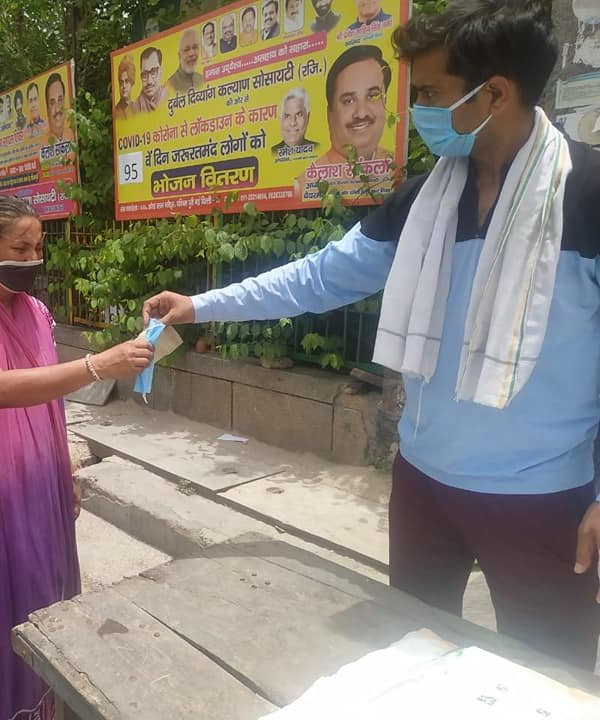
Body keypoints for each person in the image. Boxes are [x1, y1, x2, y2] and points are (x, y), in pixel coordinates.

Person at [143, 0, 600, 671]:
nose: (415, 112)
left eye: (431, 95)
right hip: (424, 489)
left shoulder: (586, 194)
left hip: (543, 501)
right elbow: (320, 277)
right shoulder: (424, 200)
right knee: (413, 658)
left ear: (494, 93)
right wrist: (200, 304)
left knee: (548, 678)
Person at [0, 196, 153, 720]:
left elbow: (47, 401)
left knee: (44, 595)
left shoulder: (37, 311)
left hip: (37, 480)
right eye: (19, 247)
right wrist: (99, 365)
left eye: (38, 247)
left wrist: (65, 470)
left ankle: (39, 707)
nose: (32, 258)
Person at [316, 45, 392, 165]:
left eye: (373, 96)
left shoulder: (395, 169)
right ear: (330, 114)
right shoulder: (310, 182)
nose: (361, 113)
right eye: (348, 101)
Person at [271, 88, 318, 160]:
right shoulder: (273, 152)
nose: (293, 123)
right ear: (281, 120)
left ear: (307, 117)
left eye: (299, 114)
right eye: (287, 116)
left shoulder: (317, 149)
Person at [165, 28, 204, 95]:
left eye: (195, 47)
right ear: (179, 55)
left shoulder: (202, 80)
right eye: (186, 49)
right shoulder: (170, 85)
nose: (191, 53)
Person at [134, 47, 169, 113]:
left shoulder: (169, 97)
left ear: (160, 72)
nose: (149, 81)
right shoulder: (134, 109)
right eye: (144, 75)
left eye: (153, 72)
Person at [45, 73, 75, 144]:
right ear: (47, 109)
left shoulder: (72, 135)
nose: (57, 109)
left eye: (60, 100)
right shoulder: (41, 145)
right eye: (52, 103)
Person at [114, 55, 137, 120]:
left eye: (127, 81)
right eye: (121, 82)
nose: (124, 86)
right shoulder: (116, 112)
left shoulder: (137, 107)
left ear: (132, 83)